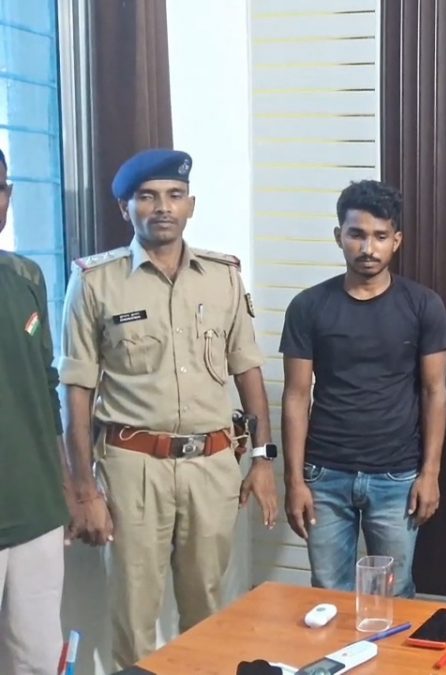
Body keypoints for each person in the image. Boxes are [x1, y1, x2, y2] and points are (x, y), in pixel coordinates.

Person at [57, 149, 279, 667]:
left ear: (190, 205)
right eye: (148, 197)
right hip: (133, 468)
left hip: (211, 467)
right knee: (134, 617)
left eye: (174, 196)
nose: (163, 207)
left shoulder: (223, 277)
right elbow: (76, 390)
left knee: (209, 612)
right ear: (125, 208)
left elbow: (248, 371)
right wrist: (83, 490)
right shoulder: (95, 282)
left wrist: (263, 460)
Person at [280, 180, 446, 597]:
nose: (368, 248)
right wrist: (294, 481)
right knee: (328, 592)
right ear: (339, 236)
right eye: (357, 234)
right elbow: (296, 396)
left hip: (397, 476)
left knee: (395, 594)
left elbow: (435, 392)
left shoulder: (423, 305)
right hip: (324, 474)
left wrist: (430, 473)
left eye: (380, 236)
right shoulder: (308, 306)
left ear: (397, 240)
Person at [0, 148, 79, 674]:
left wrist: (65, 484)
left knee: (37, 660)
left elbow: (46, 386)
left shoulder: (26, 274)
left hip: (36, 507)